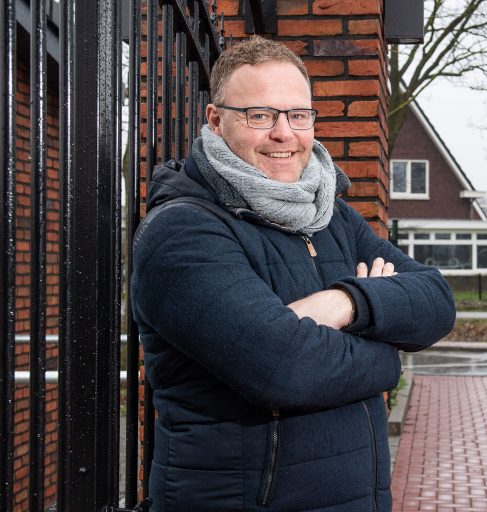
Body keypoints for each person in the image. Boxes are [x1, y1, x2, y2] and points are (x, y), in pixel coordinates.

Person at [131, 35, 455, 512]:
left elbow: (437, 301)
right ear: (216, 121)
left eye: (298, 115)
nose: (284, 134)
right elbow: (284, 369)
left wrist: (346, 302)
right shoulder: (182, 230)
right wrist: (389, 354)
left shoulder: (331, 217)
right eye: (260, 115)